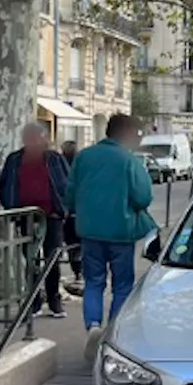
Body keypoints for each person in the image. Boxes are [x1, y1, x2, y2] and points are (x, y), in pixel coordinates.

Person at [65, 114, 156, 361]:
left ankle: (93, 325)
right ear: (125, 134)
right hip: (121, 232)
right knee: (122, 285)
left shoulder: (84, 156)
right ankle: (112, 333)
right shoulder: (129, 160)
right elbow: (143, 198)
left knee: (94, 282)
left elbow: (70, 193)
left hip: (89, 231)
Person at [0, 123, 70, 318]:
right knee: (30, 261)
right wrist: (12, 209)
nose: (38, 141)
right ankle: (34, 301)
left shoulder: (54, 159)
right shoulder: (14, 160)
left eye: (41, 137)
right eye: (33, 137)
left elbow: (67, 184)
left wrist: (62, 209)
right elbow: (4, 186)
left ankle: (54, 300)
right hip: (26, 217)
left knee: (52, 259)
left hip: (51, 217)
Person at [60, 140, 84, 286]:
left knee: (71, 245)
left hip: (68, 213)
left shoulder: (60, 164)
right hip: (80, 212)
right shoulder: (81, 167)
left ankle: (78, 273)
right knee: (81, 245)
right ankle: (80, 274)